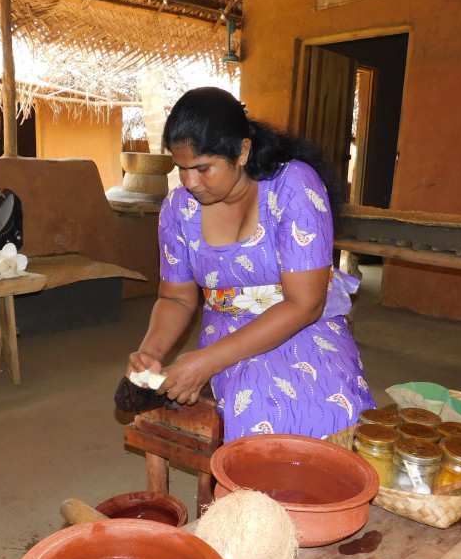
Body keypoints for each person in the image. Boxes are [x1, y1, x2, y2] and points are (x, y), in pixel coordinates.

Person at [127, 87, 375, 442]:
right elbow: (176, 298)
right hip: (228, 331)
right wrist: (150, 352)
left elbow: (306, 304)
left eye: (202, 168)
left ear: (241, 151)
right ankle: (251, 498)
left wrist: (205, 363)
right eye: (180, 168)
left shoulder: (293, 186)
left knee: (336, 410)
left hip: (308, 324)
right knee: (258, 408)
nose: (189, 183)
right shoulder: (177, 210)